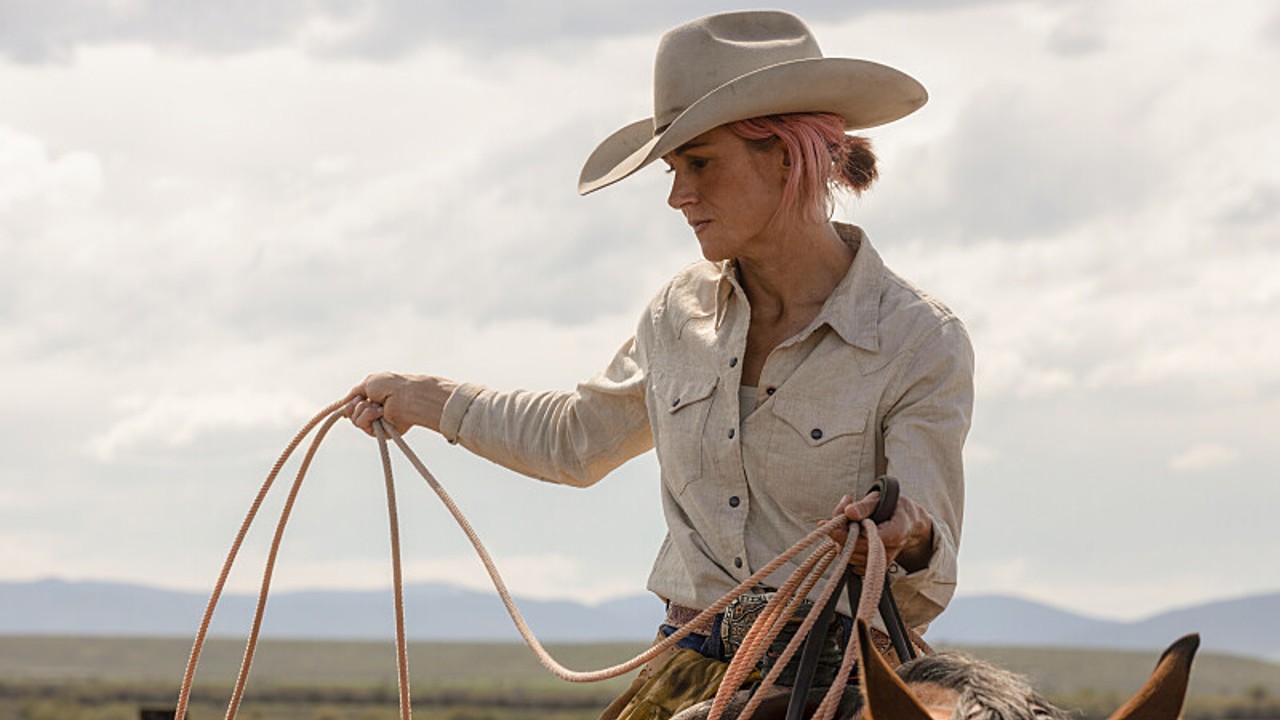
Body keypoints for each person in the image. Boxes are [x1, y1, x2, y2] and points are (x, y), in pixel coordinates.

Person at [345, 10, 974, 720]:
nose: (678, 195)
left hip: (846, 689)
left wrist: (906, 538)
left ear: (789, 157)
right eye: (674, 169)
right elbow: (576, 440)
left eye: (700, 163)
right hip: (687, 669)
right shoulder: (677, 314)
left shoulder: (920, 341)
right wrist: (425, 399)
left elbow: (928, 574)